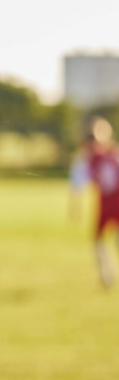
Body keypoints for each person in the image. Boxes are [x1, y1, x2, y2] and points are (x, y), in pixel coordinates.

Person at [70, 117, 119, 288]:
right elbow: (77, 184)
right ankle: (106, 275)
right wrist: (74, 207)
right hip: (105, 204)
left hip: (116, 202)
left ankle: (107, 275)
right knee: (98, 240)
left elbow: (76, 184)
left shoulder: (110, 155)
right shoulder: (90, 159)